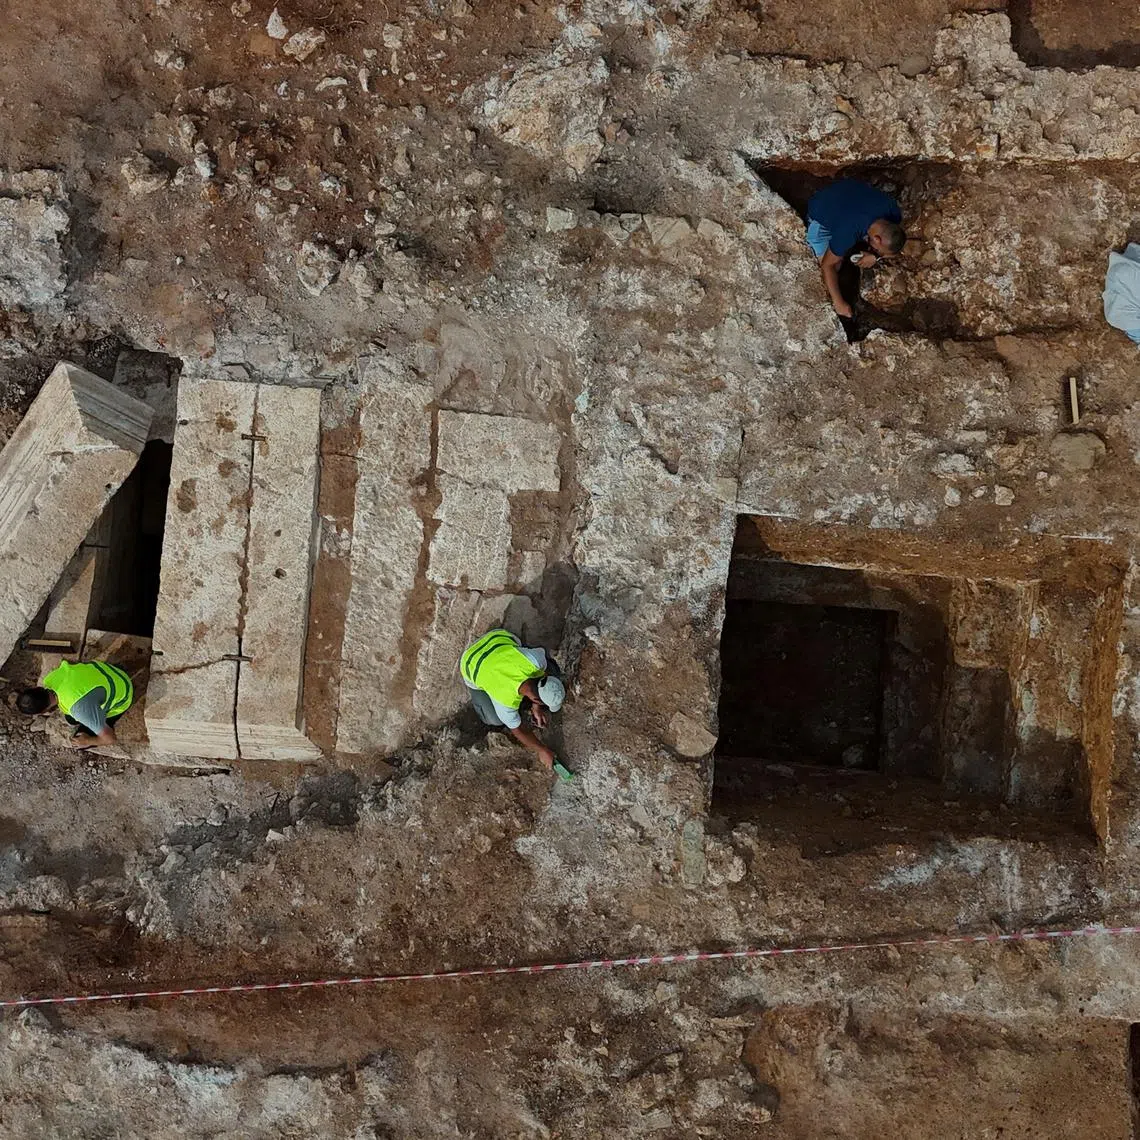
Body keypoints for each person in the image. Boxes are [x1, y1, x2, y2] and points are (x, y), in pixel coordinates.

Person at [459, 628, 565, 772]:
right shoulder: (505, 701)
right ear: (536, 698)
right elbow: (517, 730)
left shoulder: (533, 661)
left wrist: (536, 706)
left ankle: (508, 653)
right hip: (469, 661)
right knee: (494, 719)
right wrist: (541, 750)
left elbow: (544, 670)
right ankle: (480, 700)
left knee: (551, 667)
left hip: (496, 637)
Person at [805, 178, 906, 319]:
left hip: (846, 193)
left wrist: (876, 256)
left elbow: (893, 247)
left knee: (840, 252)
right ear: (876, 239)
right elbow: (827, 266)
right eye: (878, 250)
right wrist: (839, 303)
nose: (877, 253)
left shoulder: (892, 211)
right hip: (821, 213)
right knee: (834, 266)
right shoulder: (847, 233)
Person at [16, 659, 134, 750]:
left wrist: (88, 741)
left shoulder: (79, 709)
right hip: (111, 673)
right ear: (38, 688)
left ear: (43, 711)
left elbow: (110, 739)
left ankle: (107, 722)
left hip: (123, 694)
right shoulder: (51, 679)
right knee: (70, 719)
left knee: (78, 741)